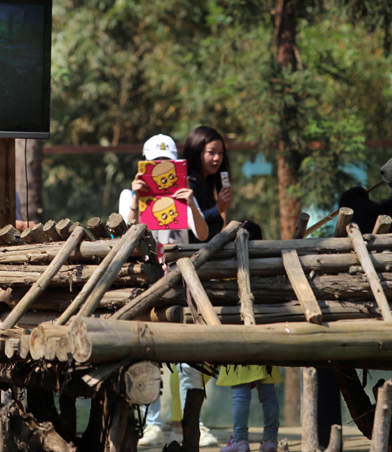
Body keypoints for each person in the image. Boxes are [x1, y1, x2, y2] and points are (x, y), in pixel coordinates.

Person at [118, 134, 217, 448]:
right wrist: (136, 200)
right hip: (145, 283)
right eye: (156, 164)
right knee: (147, 352)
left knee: (188, 358)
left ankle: (193, 424)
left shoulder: (184, 194)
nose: (162, 171)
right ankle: (152, 426)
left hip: (180, 281)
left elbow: (202, 233)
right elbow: (123, 234)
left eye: (167, 164)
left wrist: (191, 204)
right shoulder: (129, 195)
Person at [218, 220, 281, 452]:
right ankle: (270, 440)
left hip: (239, 332)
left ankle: (240, 440)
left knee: (240, 394)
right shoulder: (267, 266)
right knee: (268, 393)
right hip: (265, 332)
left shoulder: (228, 268)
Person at [183, 126, 233, 243]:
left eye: (220, 153)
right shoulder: (189, 184)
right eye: (211, 152)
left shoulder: (208, 180)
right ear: (196, 152)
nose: (217, 158)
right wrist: (217, 208)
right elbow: (191, 222)